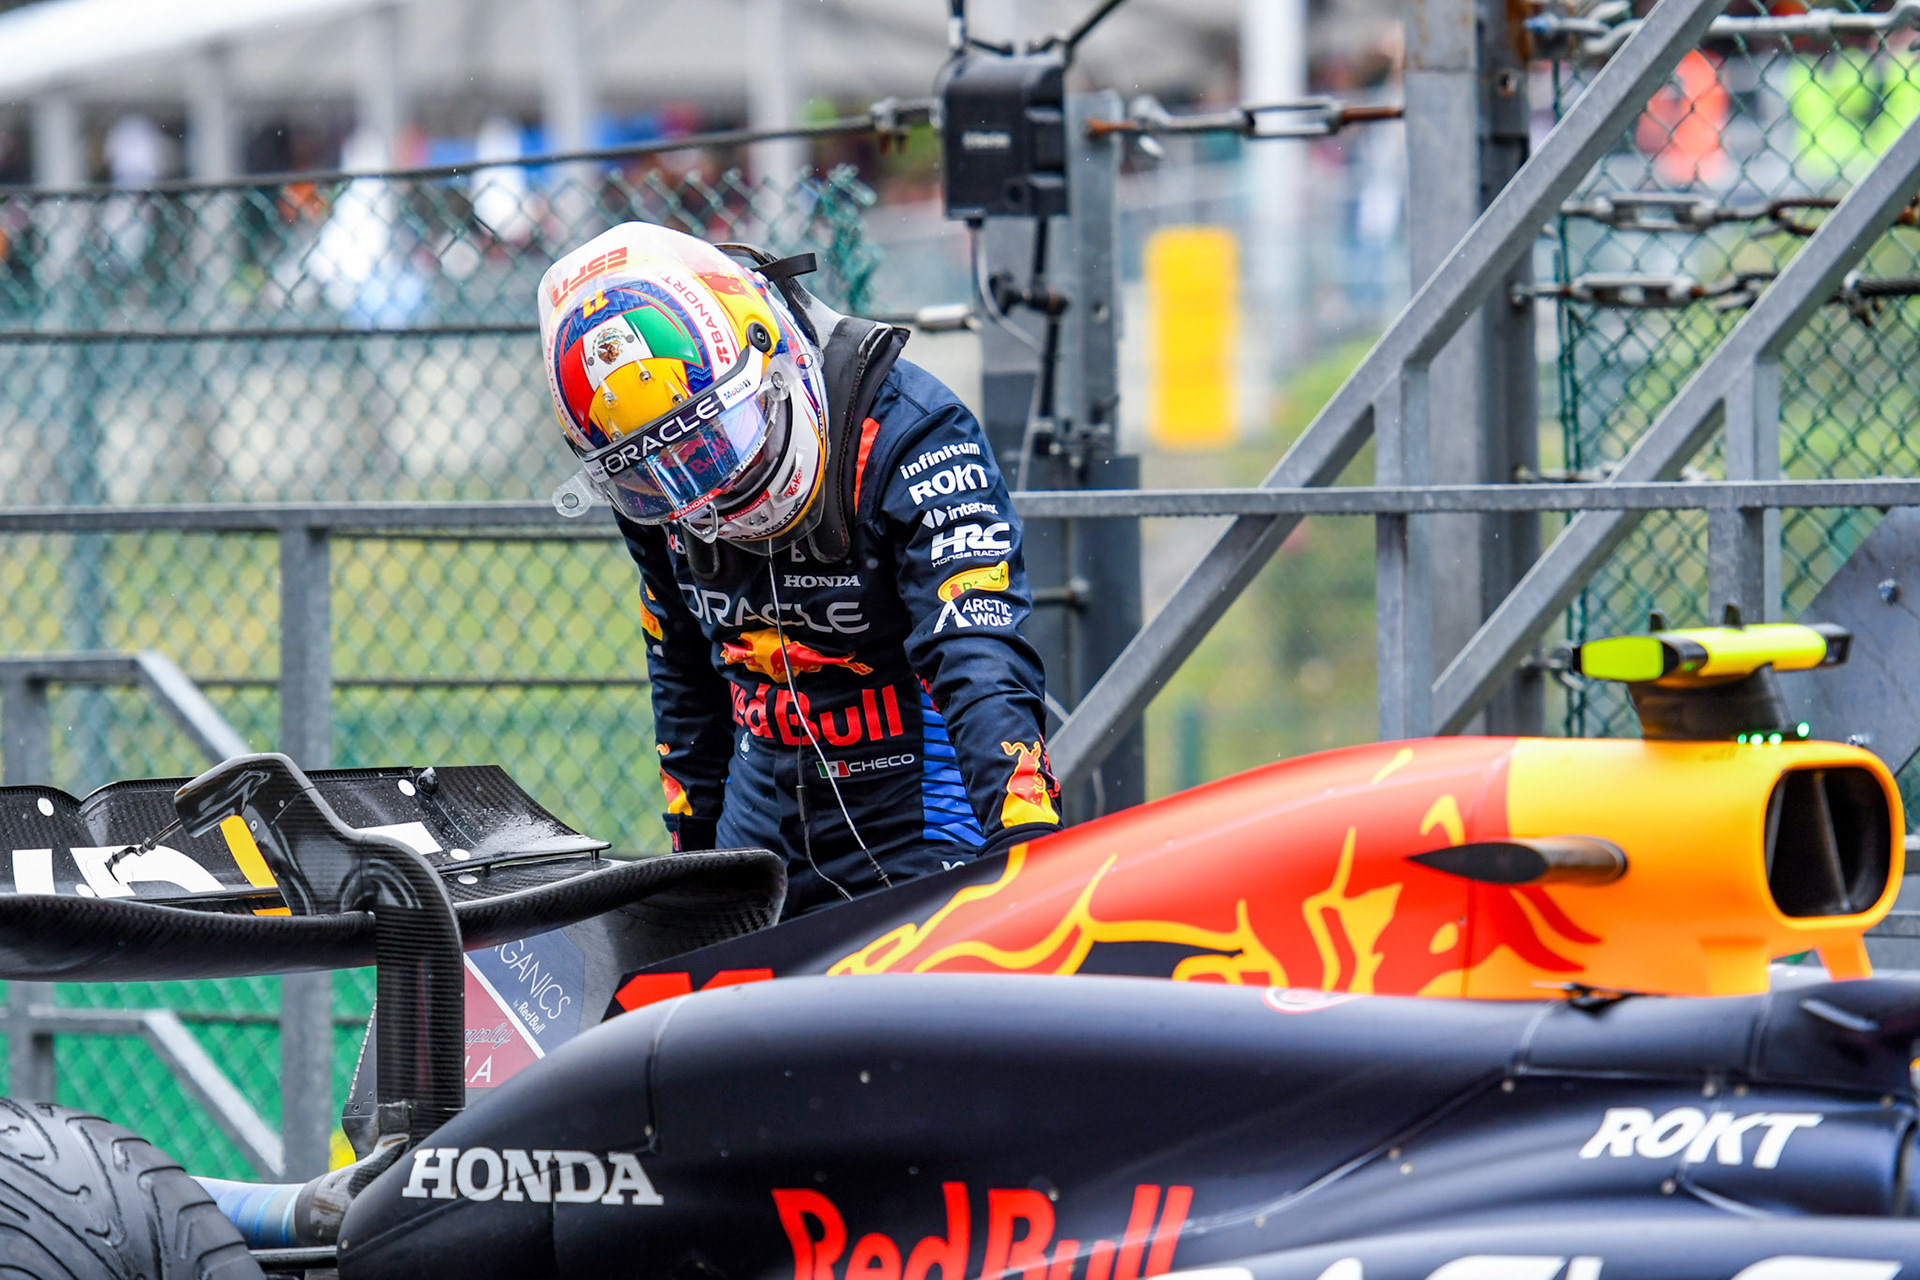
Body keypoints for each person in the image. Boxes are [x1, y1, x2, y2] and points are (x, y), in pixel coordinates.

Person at [538, 222, 1060, 916]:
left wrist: (1027, 860)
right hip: (758, 832)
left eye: (715, 440)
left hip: (920, 816)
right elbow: (682, 672)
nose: (707, 488)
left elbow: (977, 651)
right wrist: (693, 875)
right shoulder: (657, 491)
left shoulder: (914, 430)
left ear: (770, 353)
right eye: (662, 471)